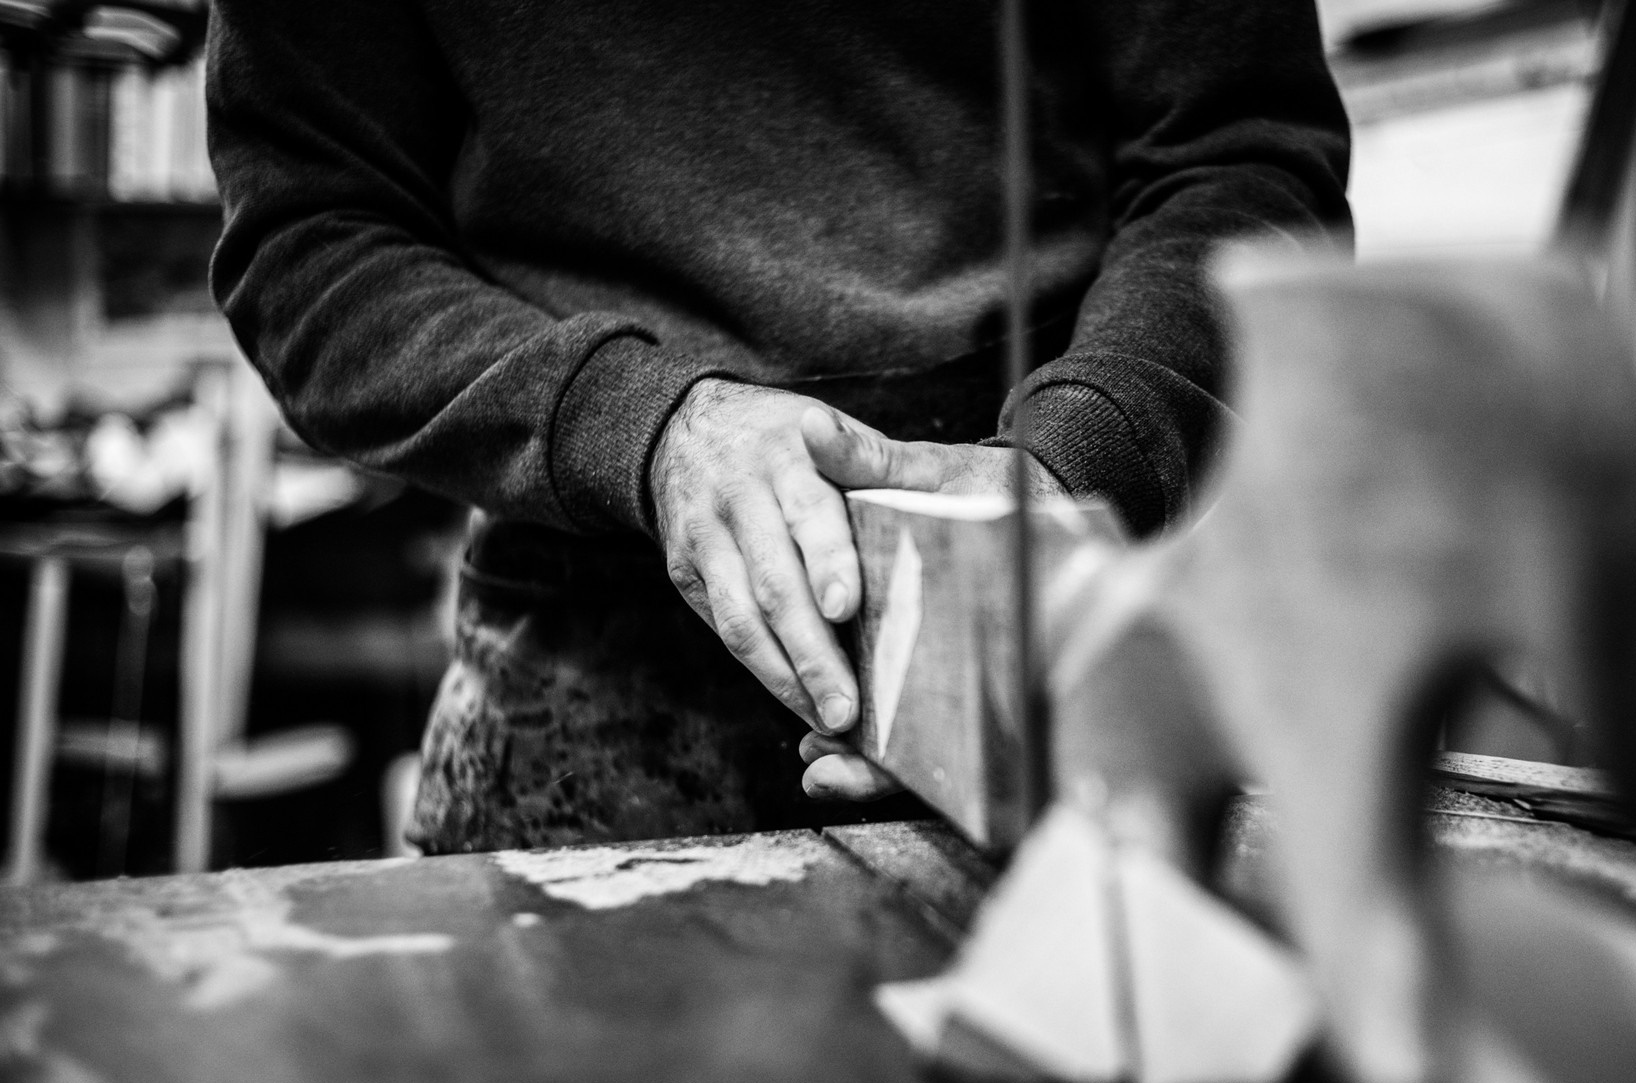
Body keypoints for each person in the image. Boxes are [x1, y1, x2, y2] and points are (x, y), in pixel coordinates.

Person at [205, 0, 1352, 852]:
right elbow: (310, 238)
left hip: (1074, 604)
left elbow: (1242, 156)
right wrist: (639, 427)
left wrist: (1084, 454)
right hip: (586, 663)